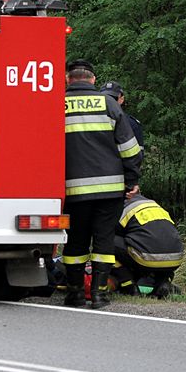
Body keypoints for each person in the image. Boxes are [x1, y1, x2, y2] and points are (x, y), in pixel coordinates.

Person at [62, 59, 142, 309]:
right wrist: (131, 181)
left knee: (75, 241)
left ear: (67, 78)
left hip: (73, 190)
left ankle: (74, 293)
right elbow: (130, 148)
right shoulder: (108, 104)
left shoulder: (56, 103)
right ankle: (99, 294)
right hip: (109, 190)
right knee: (104, 241)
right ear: (93, 79)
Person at [112, 193, 183, 299]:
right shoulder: (153, 204)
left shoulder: (121, 207)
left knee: (105, 241)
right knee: (153, 246)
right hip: (176, 257)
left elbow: (111, 232)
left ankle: (128, 286)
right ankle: (162, 283)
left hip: (146, 258)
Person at [100, 81, 144, 148]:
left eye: (113, 98)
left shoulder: (132, 124)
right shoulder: (91, 120)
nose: (109, 101)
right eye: (105, 98)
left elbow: (138, 154)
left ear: (121, 99)